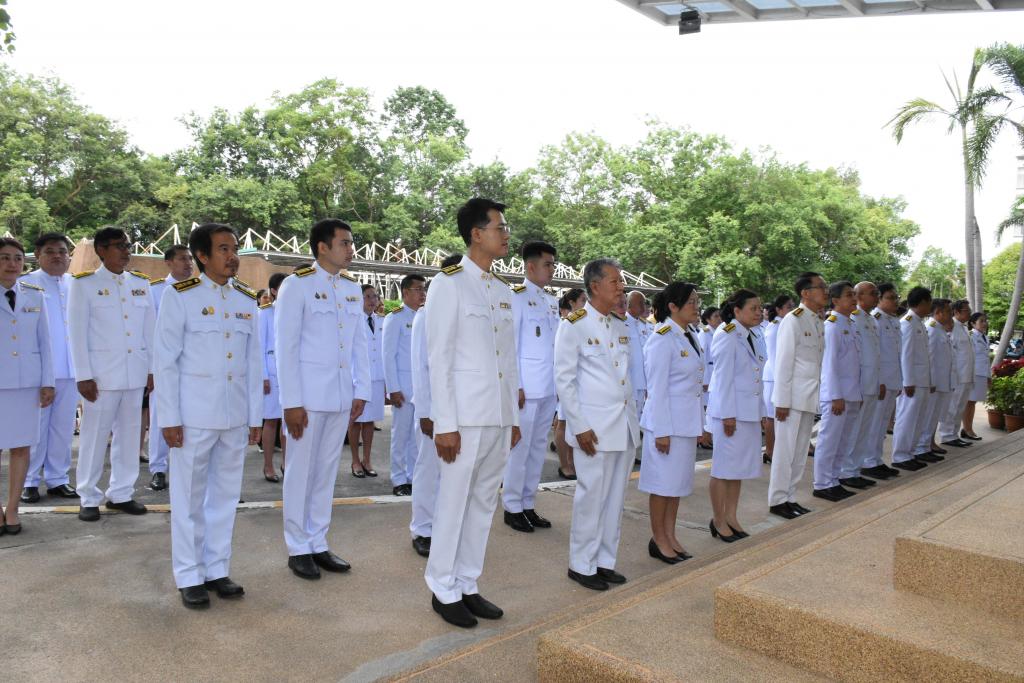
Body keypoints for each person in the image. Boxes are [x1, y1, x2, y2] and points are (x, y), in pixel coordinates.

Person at [424, 197, 521, 628]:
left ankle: (467, 582)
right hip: (463, 418)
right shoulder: (448, 283)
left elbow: (509, 360)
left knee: (482, 503)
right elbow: (439, 358)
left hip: (496, 415)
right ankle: (442, 588)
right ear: (476, 234)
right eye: (500, 228)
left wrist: (512, 418)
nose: (506, 235)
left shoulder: (501, 290)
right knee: (454, 503)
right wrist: (445, 424)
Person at [154, 223, 262, 609]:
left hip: (234, 415)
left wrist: (255, 417)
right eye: (223, 249)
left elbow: (253, 363)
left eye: (234, 249)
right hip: (193, 416)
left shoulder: (246, 299)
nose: (232, 256)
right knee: (188, 499)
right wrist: (168, 418)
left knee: (225, 497)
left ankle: (217, 569)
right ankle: (189, 575)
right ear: (202, 256)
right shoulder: (180, 296)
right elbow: (165, 361)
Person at [276, 218, 370, 580]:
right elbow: (286, 347)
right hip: (308, 398)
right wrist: (291, 402)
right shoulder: (296, 285)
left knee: (326, 473)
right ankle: (297, 547)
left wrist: (361, 389)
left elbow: (359, 344)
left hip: (341, 396)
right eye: (344, 243)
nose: (351, 249)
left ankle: (317, 540)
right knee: (300, 472)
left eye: (351, 243)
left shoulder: (351, 289)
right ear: (322, 247)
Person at [555, 257, 639, 592]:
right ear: (595, 286)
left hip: (623, 425)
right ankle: (581, 564)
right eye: (615, 281)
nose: (621, 287)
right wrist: (579, 426)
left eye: (621, 281)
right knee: (591, 498)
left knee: (615, 499)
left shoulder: (620, 325)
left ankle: (604, 561)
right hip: (593, 429)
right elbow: (564, 381)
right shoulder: (574, 324)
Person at [69, 227, 154, 522]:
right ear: (101, 250)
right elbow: (77, 333)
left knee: (130, 437)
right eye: (119, 246)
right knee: (94, 437)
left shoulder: (141, 284)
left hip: (134, 373)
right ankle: (88, 495)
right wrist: (83, 375)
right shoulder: (84, 285)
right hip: (100, 377)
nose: (126, 251)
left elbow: (149, 331)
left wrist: (152, 369)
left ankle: (121, 493)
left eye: (127, 246)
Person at [639, 281, 702, 563]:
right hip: (667, 425)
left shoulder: (689, 335)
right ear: (673, 306)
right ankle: (659, 539)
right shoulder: (662, 338)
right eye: (691, 302)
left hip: (685, 424)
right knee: (662, 485)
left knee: (676, 486)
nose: (696, 307)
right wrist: (661, 431)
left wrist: (699, 424)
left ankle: (670, 535)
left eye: (697, 302)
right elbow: (657, 389)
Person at [503, 241, 559, 533]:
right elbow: (510, 345)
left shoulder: (551, 301)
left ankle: (527, 503)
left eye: (553, 265)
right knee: (520, 449)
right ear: (530, 266)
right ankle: (512, 506)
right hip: (527, 388)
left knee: (537, 449)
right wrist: (517, 385)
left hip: (548, 387)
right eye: (547, 264)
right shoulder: (517, 298)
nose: (552, 269)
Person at [409, 254, 463, 558]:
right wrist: (426, 412)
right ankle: (422, 529)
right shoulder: (426, 314)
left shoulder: (463, 312)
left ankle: (444, 527)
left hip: (460, 406)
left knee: (453, 472)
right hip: (432, 408)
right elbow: (421, 367)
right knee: (428, 470)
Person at [0, 238, 55, 534]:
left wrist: (48, 382)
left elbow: (45, 343)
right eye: (5, 258)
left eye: (17, 258)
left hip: (26, 384)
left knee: (21, 448)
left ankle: (12, 509)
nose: (12, 264)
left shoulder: (34, 295)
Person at [20, 233, 78, 503]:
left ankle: (58, 479)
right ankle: (29, 481)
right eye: (51, 251)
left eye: (62, 251)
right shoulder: (25, 285)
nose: (58, 256)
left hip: (72, 369)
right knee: (36, 429)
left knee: (63, 428)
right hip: (40, 371)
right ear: (38, 254)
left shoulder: (76, 284)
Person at [706, 289, 764, 541]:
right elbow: (722, 379)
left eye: (760, 308)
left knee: (738, 469)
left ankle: (731, 516)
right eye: (753, 308)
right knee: (723, 469)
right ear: (737, 310)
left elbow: (755, 376)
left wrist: (761, 412)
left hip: (747, 412)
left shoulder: (752, 334)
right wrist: (728, 415)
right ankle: (718, 520)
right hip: (731, 414)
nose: (759, 312)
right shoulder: (727, 335)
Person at [768, 272, 826, 520]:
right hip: (791, 399)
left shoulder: (817, 321)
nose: (825, 292)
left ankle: (790, 496)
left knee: (800, 451)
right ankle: (777, 499)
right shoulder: (793, 320)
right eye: (821, 287)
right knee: (785, 452)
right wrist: (782, 401)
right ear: (806, 293)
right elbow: (783, 363)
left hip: (808, 396)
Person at [145, 244, 194, 492]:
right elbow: (149, 333)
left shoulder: (197, 290)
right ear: (168, 263)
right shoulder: (155, 290)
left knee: (189, 418)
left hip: (191, 366)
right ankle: (158, 468)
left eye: (190, 259)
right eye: (182, 259)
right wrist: (151, 369)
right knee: (160, 417)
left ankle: (183, 468)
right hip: (162, 366)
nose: (188, 263)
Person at [812, 282, 864, 503]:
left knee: (843, 441)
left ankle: (834, 479)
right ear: (835, 300)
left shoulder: (850, 324)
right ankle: (822, 484)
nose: (854, 299)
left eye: (854, 295)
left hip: (850, 393)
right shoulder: (832, 326)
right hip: (837, 396)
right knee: (829, 441)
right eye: (849, 295)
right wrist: (835, 396)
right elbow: (829, 365)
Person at [838, 281, 885, 488]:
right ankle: (846, 471)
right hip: (859, 383)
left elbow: (876, 354)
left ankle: (856, 469)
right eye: (872, 293)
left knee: (865, 429)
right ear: (859, 296)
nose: (876, 297)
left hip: (871, 381)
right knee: (854, 430)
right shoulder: (854, 318)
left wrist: (879, 380)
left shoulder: (871, 319)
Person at [384, 275, 426, 496]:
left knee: (416, 438)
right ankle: (398, 478)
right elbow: (388, 356)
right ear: (406, 292)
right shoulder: (395, 318)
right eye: (418, 289)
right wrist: (393, 388)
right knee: (400, 436)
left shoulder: (425, 316)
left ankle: (412, 476)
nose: (422, 293)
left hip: (420, 388)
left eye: (424, 289)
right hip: (402, 387)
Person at [860, 283, 902, 480]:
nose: (895, 301)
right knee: (874, 423)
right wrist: (881, 381)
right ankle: (868, 461)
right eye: (890, 297)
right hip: (880, 380)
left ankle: (876, 459)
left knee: (882, 423)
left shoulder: (889, 320)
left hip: (891, 378)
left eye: (896, 297)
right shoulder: (875, 318)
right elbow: (875, 356)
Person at [891, 286, 933, 472]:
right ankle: (900, 455)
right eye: (929, 302)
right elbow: (905, 355)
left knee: (917, 419)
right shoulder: (907, 323)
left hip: (921, 380)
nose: (930, 307)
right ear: (922, 302)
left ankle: (910, 453)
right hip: (912, 381)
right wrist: (907, 381)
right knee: (907, 419)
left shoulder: (918, 323)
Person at [349, 284, 383, 479]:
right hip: (357, 378)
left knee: (370, 422)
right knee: (355, 421)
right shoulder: (353, 320)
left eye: (375, 296)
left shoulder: (382, 321)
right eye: (368, 296)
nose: (372, 300)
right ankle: (355, 460)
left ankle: (367, 459)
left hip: (376, 379)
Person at [554, 288, 586, 480]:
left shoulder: (585, 324)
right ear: (572, 303)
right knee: (563, 423)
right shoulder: (566, 324)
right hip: (567, 384)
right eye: (582, 300)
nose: (585, 304)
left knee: (573, 425)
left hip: (581, 386)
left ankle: (574, 463)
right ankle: (565, 465)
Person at [917, 299, 956, 459]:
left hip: (941, 381)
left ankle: (928, 444)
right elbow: (930, 358)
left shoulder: (939, 329)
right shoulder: (932, 329)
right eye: (948, 311)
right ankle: (922, 447)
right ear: (938, 312)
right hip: (934, 382)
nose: (951, 314)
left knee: (934, 415)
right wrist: (931, 381)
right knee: (928, 415)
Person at [258, 272, 286, 482]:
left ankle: (287, 463)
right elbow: (258, 346)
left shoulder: (294, 311)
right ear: (274, 291)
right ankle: (268, 465)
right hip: (272, 373)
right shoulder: (265, 313)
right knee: (271, 421)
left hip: (290, 374)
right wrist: (263, 376)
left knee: (289, 422)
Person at [937, 299, 975, 448]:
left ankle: (954, 434)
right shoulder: (950, 326)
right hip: (957, 374)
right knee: (952, 406)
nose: (969, 313)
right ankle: (947, 435)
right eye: (966, 310)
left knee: (959, 407)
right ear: (956, 312)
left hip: (966, 374)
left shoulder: (963, 328)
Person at [761, 295, 793, 464]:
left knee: (780, 418)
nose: (792, 310)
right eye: (788, 307)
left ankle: (778, 451)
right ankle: (770, 451)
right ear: (779, 309)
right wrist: (783, 382)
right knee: (772, 417)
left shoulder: (784, 324)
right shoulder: (775, 327)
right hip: (774, 378)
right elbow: (775, 358)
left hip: (780, 378)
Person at [625, 290, 651, 432]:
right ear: (629, 305)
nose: (643, 306)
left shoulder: (642, 324)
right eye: (640, 303)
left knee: (637, 417)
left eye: (644, 303)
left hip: (641, 379)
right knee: (628, 420)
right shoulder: (622, 322)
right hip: (629, 380)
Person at [697, 306, 721, 450]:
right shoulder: (704, 333)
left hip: (715, 374)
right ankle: (703, 438)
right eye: (715, 316)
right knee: (706, 408)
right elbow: (701, 358)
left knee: (711, 407)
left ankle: (708, 437)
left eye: (719, 316)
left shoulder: (719, 332)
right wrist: (704, 380)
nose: (719, 319)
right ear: (707, 319)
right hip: (708, 374)